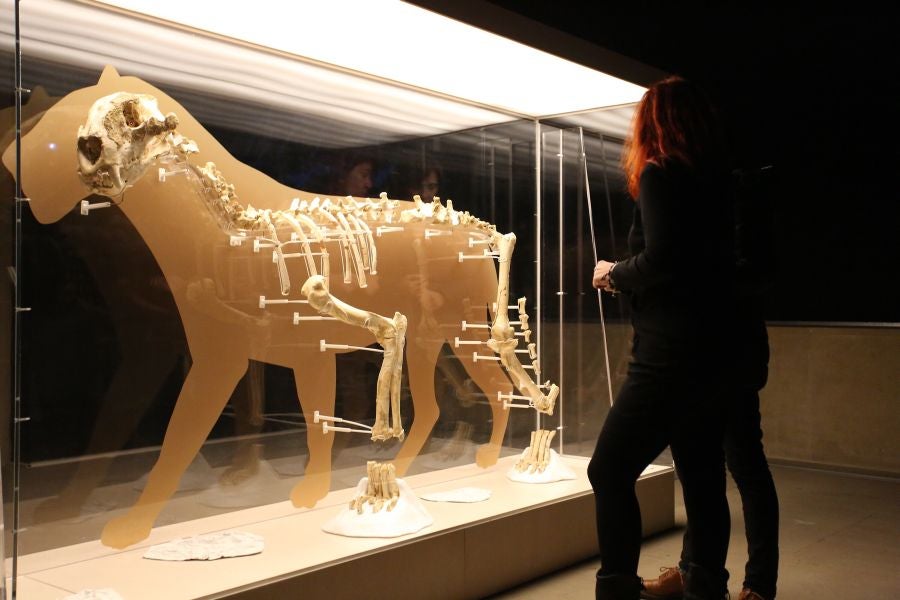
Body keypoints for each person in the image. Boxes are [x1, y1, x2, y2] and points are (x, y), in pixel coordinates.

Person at [588, 76, 736, 600]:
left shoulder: (659, 172)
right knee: (702, 479)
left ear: (651, 121)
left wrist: (613, 273)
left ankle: (618, 589)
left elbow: (664, 258)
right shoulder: (714, 180)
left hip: (667, 355)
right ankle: (706, 588)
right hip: (712, 352)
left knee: (607, 470)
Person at [640, 167, 780, 600]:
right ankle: (694, 570)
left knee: (744, 463)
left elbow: (749, 271)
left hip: (730, 350)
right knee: (704, 469)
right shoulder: (708, 183)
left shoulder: (737, 186)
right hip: (704, 349)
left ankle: (757, 584)